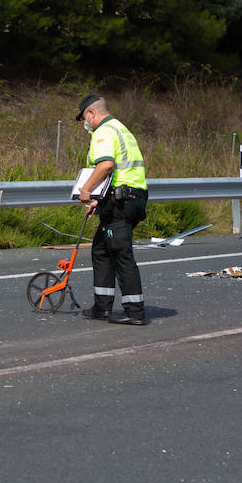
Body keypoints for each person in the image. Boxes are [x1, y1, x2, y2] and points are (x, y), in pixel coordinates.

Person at [74, 94, 149, 325]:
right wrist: (100, 200)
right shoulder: (121, 128)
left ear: (91, 113)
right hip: (128, 197)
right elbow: (119, 171)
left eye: (85, 118)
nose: (85, 124)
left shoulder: (103, 132)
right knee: (101, 249)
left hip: (122, 201)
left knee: (119, 252)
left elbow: (106, 165)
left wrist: (86, 190)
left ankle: (134, 311)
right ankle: (101, 306)